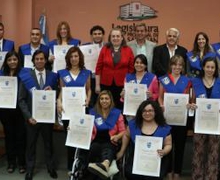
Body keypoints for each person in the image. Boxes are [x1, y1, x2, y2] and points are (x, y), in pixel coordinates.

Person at [18, 50, 58, 180]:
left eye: (42, 59)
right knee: (30, 145)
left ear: (46, 60)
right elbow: (21, 99)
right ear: (33, 61)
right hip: (32, 118)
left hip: (47, 117)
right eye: (37, 59)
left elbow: (57, 95)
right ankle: (29, 170)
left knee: (48, 143)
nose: (39, 61)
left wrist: (54, 92)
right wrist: (28, 116)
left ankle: (50, 167)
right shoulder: (26, 76)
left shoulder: (53, 76)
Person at [117, 100, 172, 180]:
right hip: (136, 160)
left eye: (150, 111)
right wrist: (122, 151)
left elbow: (168, 144)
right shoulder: (133, 125)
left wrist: (164, 151)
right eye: (144, 111)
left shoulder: (164, 128)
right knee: (131, 173)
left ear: (156, 112)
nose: (147, 113)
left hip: (156, 161)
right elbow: (126, 135)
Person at [56, 46, 91, 172]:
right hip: (68, 112)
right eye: (71, 56)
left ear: (80, 57)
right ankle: (71, 166)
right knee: (70, 139)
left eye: (76, 56)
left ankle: (82, 166)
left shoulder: (86, 73)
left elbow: (89, 90)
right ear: (68, 58)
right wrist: (58, 101)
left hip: (82, 110)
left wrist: (88, 99)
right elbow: (62, 91)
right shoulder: (62, 73)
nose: (74, 59)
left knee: (82, 138)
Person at [78, 90, 126, 180]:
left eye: (106, 99)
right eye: (102, 99)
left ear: (110, 100)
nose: (104, 101)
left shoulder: (117, 114)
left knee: (107, 147)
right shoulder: (93, 112)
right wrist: (73, 129)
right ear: (99, 100)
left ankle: (105, 164)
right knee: (94, 148)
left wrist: (117, 136)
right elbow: (84, 127)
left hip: (111, 141)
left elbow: (123, 131)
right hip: (95, 140)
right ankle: (102, 168)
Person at [158, 55, 191, 180]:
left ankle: (177, 172)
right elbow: (160, 97)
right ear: (171, 65)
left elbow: (189, 98)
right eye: (175, 64)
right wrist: (161, 105)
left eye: (180, 65)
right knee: (168, 146)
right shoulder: (164, 79)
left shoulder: (187, 80)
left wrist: (189, 104)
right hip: (167, 118)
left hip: (181, 119)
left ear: (182, 67)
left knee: (180, 147)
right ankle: (168, 171)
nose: (177, 67)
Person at [190, 57, 220, 180]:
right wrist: (190, 105)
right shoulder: (195, 82)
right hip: (199, 122)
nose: (210, 69)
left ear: (216, 69)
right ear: (203, 67)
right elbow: (190, 100)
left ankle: (211, 177)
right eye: (207, 67)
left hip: (216, 122)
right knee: (198, 152)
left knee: (214, 153)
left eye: (212, 67)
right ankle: (197, 177)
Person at [95, 28, 134, 110]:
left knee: (120, 107)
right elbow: (98, 68)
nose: (115, 38)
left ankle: (120, 122)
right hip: (106, 84)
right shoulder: (105, 49)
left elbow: (131, 70)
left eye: (117, 36)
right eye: (113, 36)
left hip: (122, 85)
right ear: (110, 38)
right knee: (106, 106)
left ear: (122, 38)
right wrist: (97, 85)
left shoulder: (128, 50)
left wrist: (128, 86)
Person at [0, 51, 26, 174]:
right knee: (9, 137)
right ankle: (11, 162)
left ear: (18, 61)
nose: (12, 62)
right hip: (5, 110)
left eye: (14, 59)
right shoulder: (1, 74)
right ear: (6, 61)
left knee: (20, 137)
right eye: (9, 60)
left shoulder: (23, 73)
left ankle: (21, 163)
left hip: (19, 110)